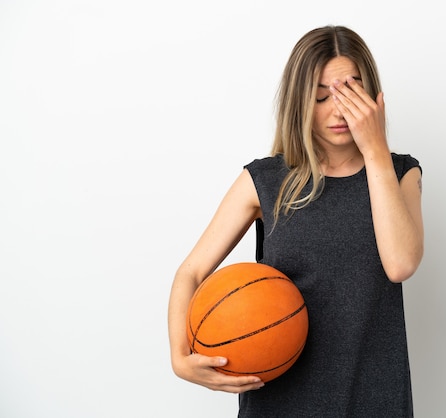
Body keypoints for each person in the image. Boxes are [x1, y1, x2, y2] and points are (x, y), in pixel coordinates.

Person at [168, 25, 424, 417]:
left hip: (373, 398)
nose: (338, 110)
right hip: (279, 400)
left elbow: (401, 263)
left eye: (350, 93)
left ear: (372, 96)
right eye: (322, 96)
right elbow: (192, 270)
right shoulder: (266, 180)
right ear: (300, 101)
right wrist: (180, 357)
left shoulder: (401, 173)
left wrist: (375, 151)